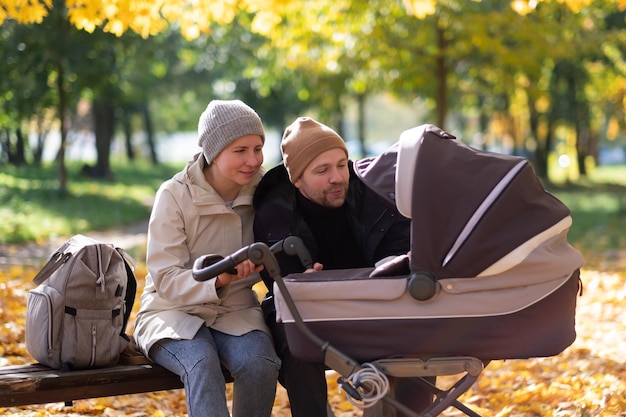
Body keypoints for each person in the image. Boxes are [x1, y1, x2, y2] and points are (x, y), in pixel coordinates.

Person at [253, 116, 433, 417]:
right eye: (322, 170)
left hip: (376, 302)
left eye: (341, 164)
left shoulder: (374, 192)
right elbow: (281, 286)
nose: (337, 177)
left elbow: (405, 252)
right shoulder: (275, 213)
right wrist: (303, 285)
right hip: (310, 313)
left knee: (420, 327)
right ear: (296, 180)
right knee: (293, 338)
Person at [134, 99, 281, 417]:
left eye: (258, 148)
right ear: (213, 152)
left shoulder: (266, 191)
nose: (253, 160)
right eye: (240, 151)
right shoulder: (174, 195)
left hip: (235, 312)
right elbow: (167, 278)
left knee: (261, 363)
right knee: (202, 362)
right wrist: (219, 278)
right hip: (171, 313)